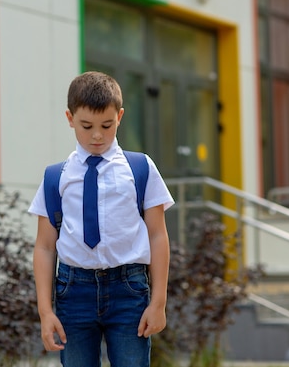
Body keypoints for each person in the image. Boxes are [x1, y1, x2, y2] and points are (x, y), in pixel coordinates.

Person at [28, 71, 175, 367]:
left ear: (119, 117)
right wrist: (46, 311)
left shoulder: (140, 168)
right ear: (70, 118)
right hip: (74, 291)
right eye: (86, 126)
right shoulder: (56, 177)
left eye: (106, 125)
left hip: (129, 289)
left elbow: (158, 235)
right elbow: (45, 247)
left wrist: (158, 302)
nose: (97, 135)